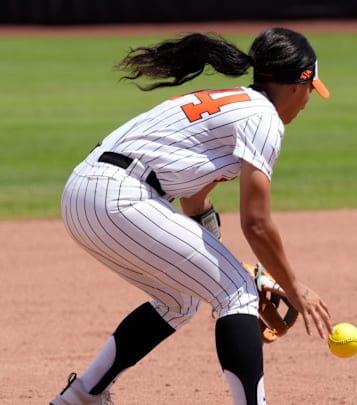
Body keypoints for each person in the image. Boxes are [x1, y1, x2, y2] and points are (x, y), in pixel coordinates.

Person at [50, 27, 333, 405]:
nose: (308, 100)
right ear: (299, 84)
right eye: (312, 90)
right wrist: (293, 286)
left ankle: (83, 395)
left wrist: (227, 263)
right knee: (237, 295)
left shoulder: (234, 103)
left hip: (86, 192)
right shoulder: (264, 118)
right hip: (120, 196)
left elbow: (194, 201)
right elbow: (257, 223)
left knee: (180, 299)